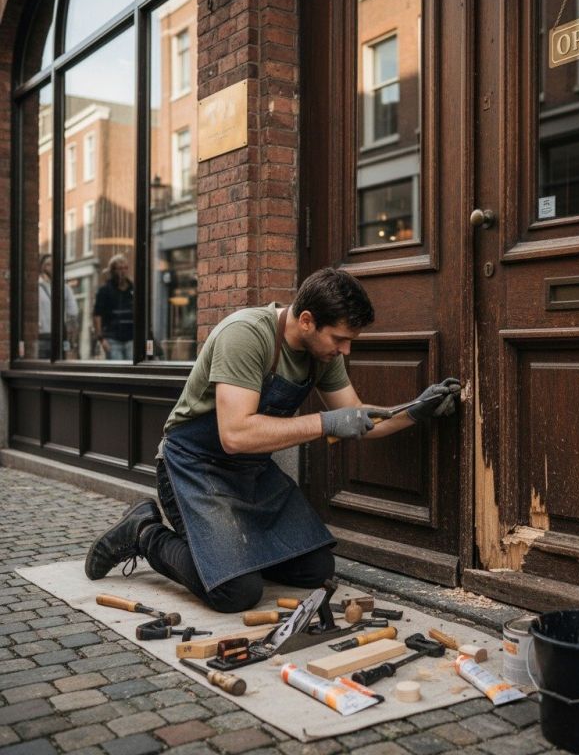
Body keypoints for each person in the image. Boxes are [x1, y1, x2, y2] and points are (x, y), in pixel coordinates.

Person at [84, 267, 460, 612]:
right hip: (193, 466)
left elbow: (358, 419)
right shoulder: (245, 335)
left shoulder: (323, 355)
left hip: (251, 470)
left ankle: (231, 556)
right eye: (340, 339)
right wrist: (325, 423)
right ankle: (144, 533)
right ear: (307, 320)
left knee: (315, 568)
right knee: (235, 593)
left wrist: (415, 411)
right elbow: (235, 435)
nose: (345, 350)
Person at [93, 254, 134, 360]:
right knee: (118, 368)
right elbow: (97, 314)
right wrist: (101, 339)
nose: (123, 271)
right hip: (112, 339)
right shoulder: (104, 290)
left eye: (125, 268)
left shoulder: (133, 289)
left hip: (132, 338)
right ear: (113, 271)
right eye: (119, 268)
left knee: (132, 368)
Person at [38, 254, 78, 359]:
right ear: (41, 267)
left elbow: (72, 315)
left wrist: (70, 344)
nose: (51, 267)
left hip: (59, 337)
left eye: (54, 265)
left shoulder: (65, 289)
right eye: (48, 264)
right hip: (41, 337)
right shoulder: (35, 288)